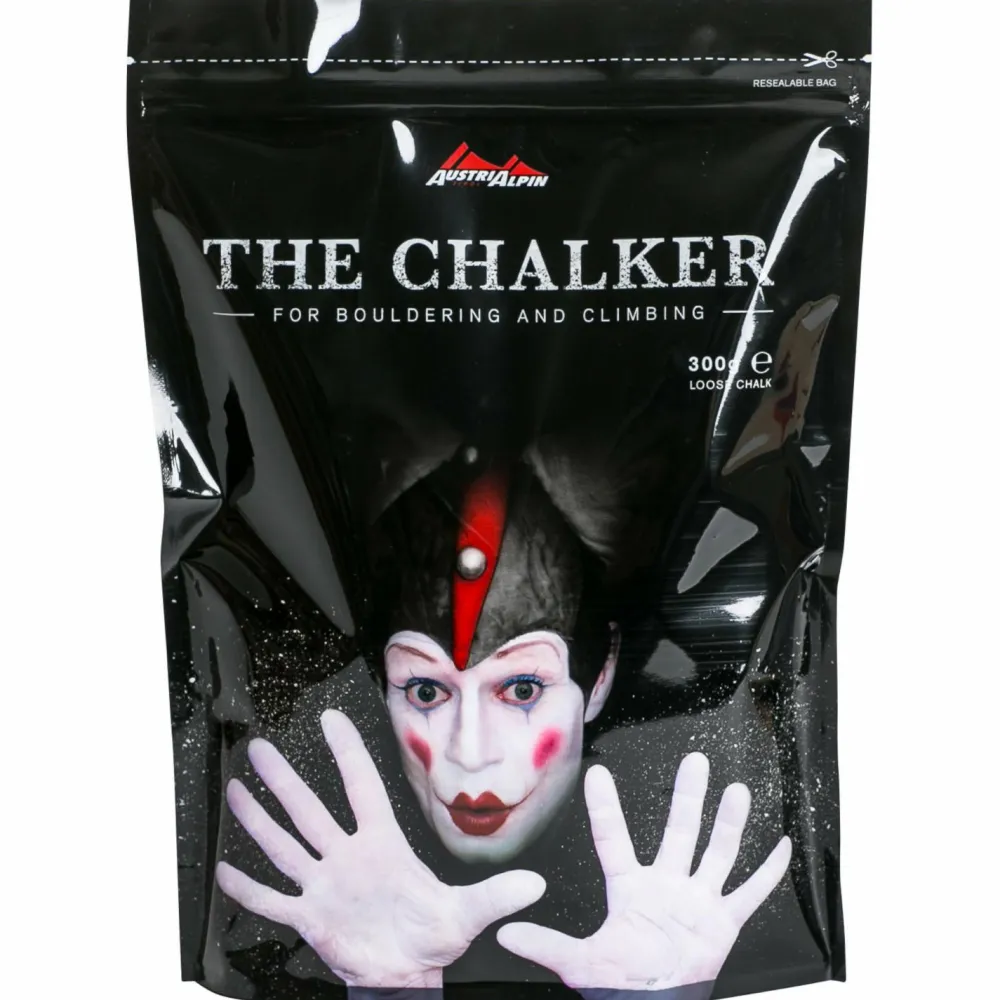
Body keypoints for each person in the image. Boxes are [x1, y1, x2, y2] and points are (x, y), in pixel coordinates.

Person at [216, 447, 791, 994]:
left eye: (521, 689)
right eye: (425, 690)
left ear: (601, 674)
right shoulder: (312, 881)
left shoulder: (704, 874)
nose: (470, 752)